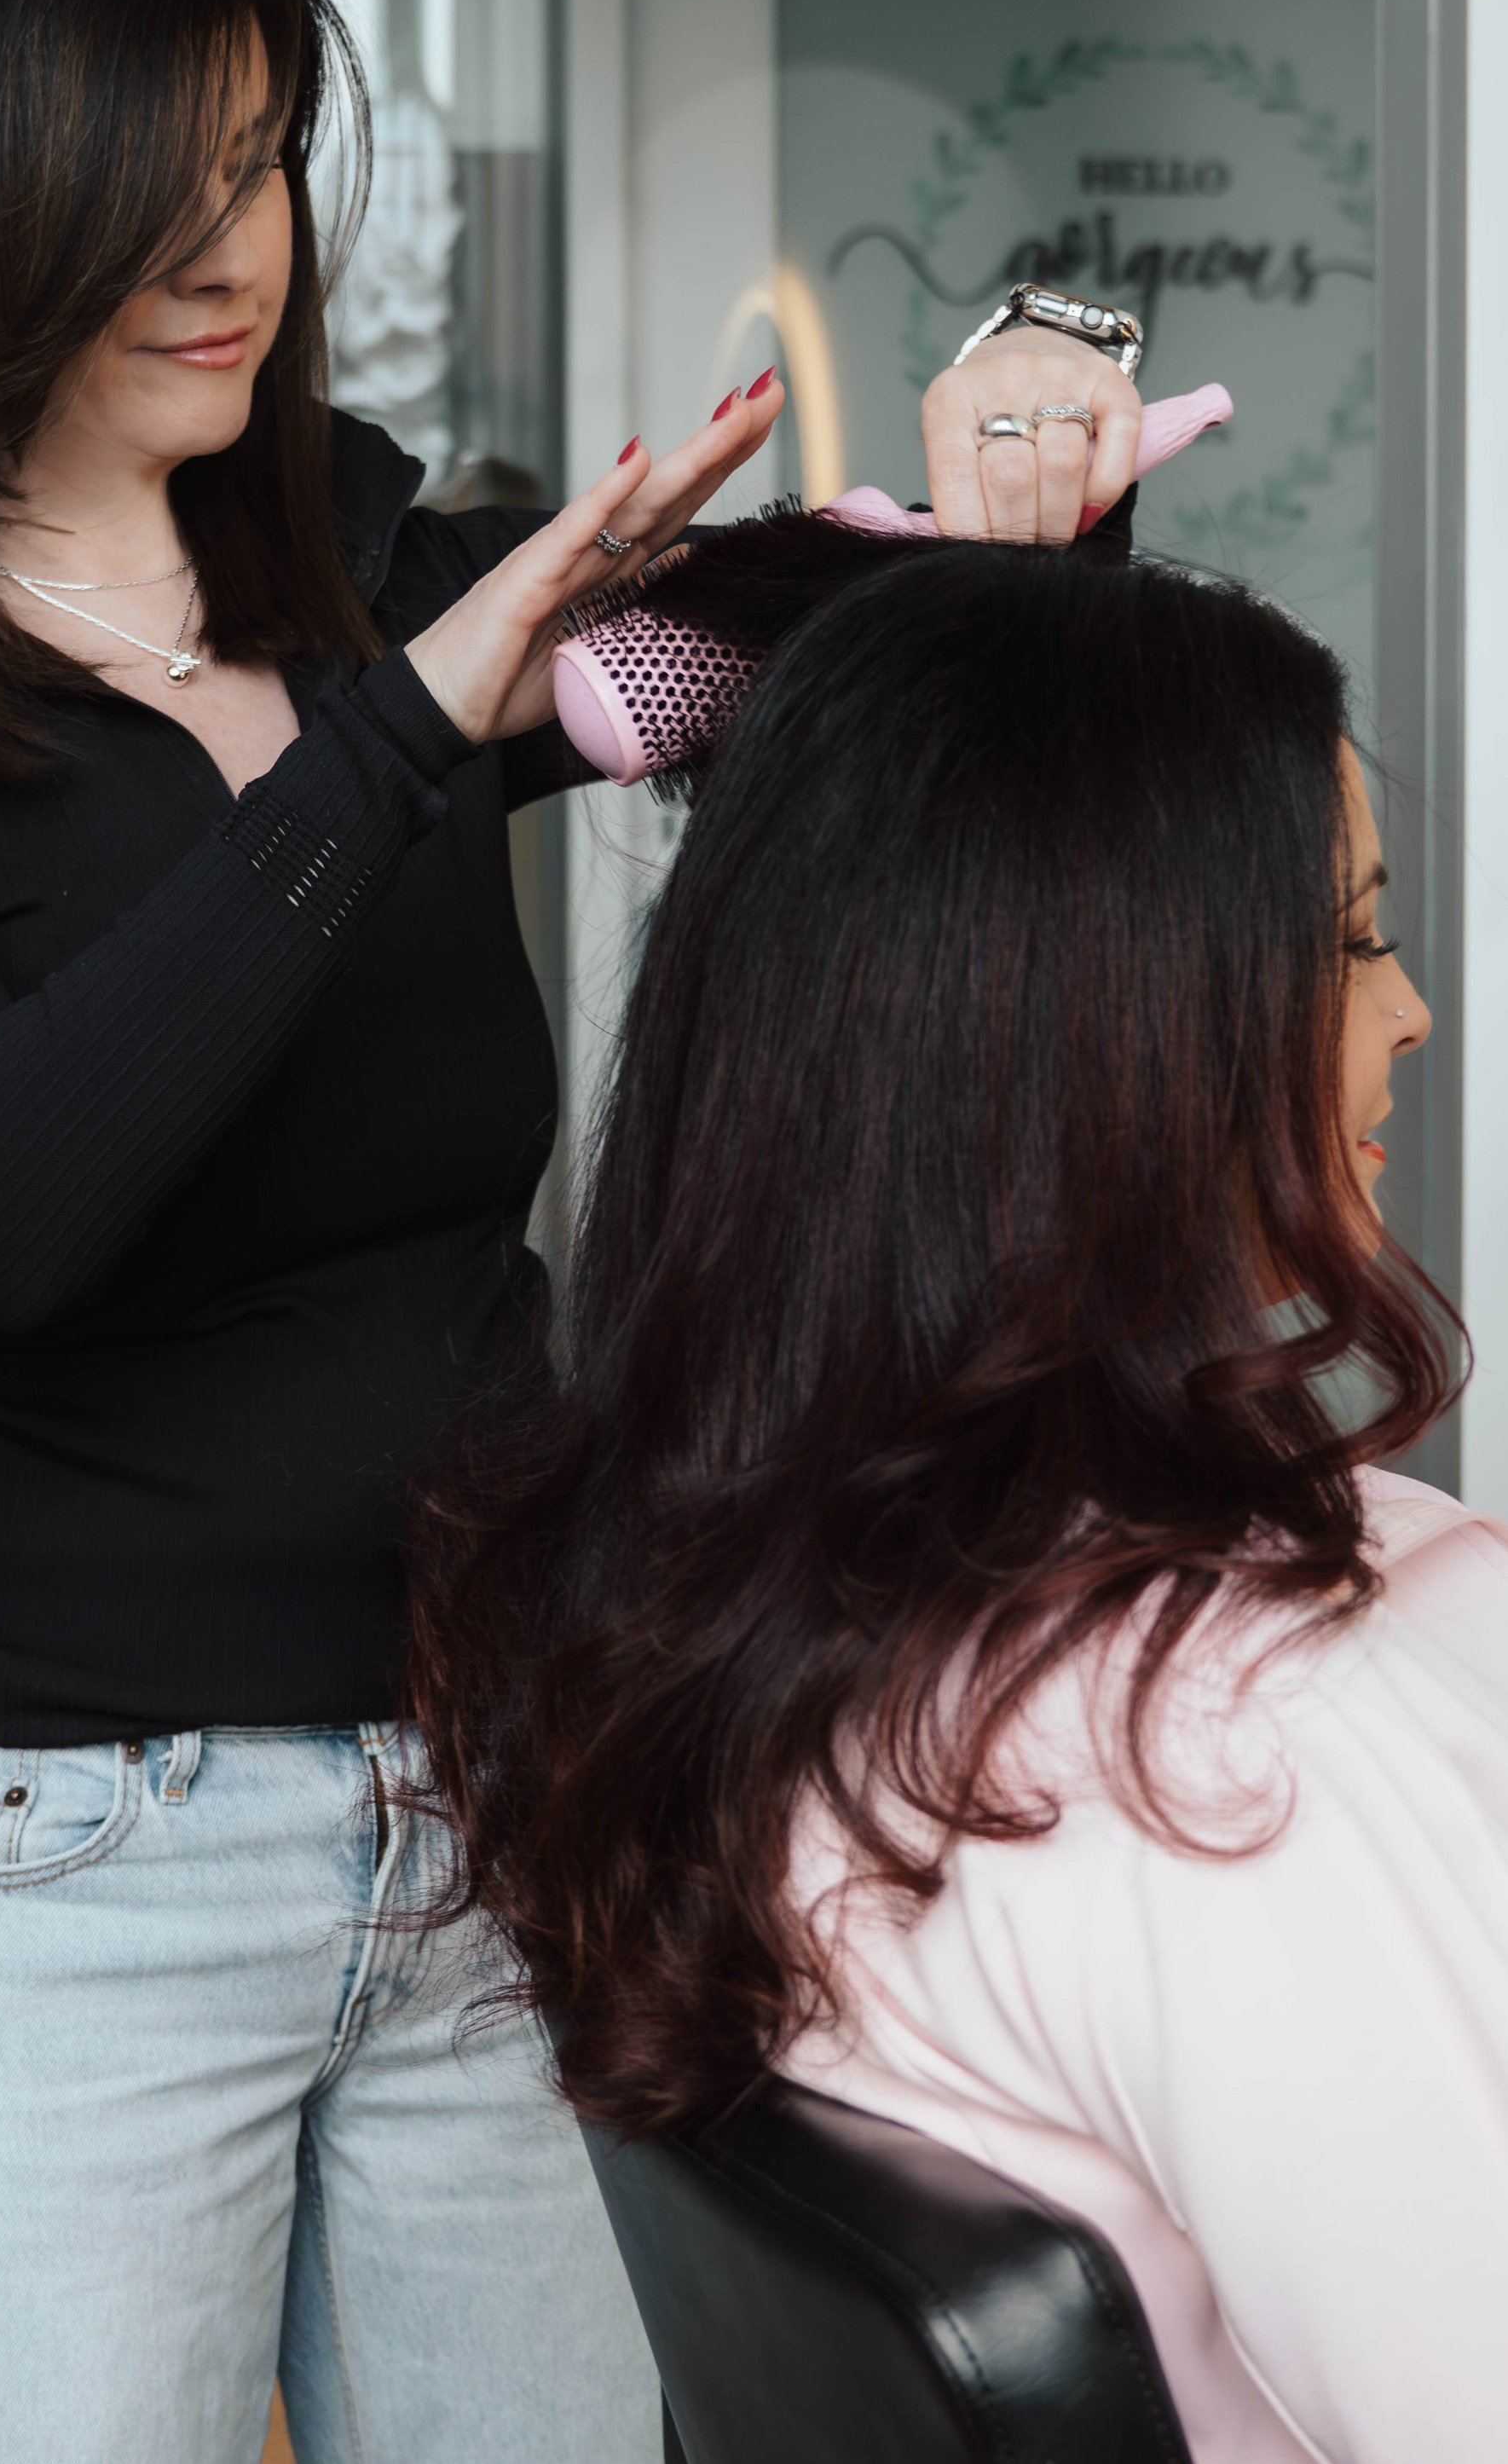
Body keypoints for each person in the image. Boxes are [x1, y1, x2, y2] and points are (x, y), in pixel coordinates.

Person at [0, 0, 1138, 2464]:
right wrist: (408, 724)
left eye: (255, 160)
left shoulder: (360, 586)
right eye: (147, 181)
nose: (229, 248)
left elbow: (796, 667)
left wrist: (1028, 488)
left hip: (478, 1810)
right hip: (26, 1866)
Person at [411, 523, 1503, 2464]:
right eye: (1349, 941)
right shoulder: (1232, 1757)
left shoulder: (741, 1626)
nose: (1408, 1008)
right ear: (1105, 1031)